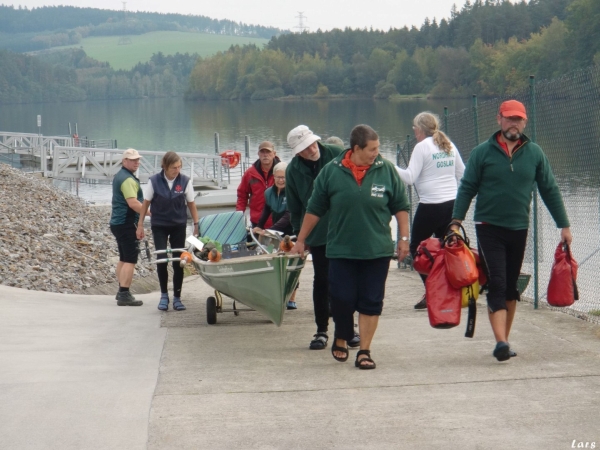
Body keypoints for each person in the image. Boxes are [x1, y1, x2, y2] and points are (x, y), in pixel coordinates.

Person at [451, 99, 572, 362]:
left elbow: (549, 189)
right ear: (499, 119)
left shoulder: (535, 153)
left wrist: (564, 224)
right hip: (488, 227)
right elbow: (467, 188)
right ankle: (501, 341)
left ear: (525, 122)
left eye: (518, 119)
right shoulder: (482, 152)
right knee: (497, 281)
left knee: (510, 286)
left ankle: (503, 341)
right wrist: (456, 221)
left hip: (519, 227)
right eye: (509, 118)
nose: (513, 124)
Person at [289, 124, 410, 369]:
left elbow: (400, 205)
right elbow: (313, 209)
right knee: (342, 298)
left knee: (371, 301)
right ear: (356, 149)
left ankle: (364, 351)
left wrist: (404, 239)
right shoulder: (330, 172)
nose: (377, 152)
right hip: (341, 248)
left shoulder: (385, 169)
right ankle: (340, 335)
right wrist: (301, 239)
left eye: (378, 147)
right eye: (372, 149)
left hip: (377, 249)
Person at [286, 125, 361, 350]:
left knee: (346, 281)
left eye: (312, 144)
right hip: (318, 233)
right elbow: (296, 208)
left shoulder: (337, 153)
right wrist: (301, 239)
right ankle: (321, 330)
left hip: (344, 227)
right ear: (297, 152)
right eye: (305, 148)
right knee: (322, 281)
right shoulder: (292, 171)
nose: (311, 150)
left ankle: (347, 329)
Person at [396, 112, 465, 309]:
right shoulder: (448, 144)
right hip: (451, 204)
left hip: (430, 205)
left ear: (419, 129)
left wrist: (388, 166)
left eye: (414, 128)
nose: (414, 132)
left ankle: (433, 291)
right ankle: (451, 290)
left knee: (418, 248)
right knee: (447, 249)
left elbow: (409, 177)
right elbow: (463, 174)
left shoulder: (421, 147)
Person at [136, 151, 199, 312]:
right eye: (173, 168)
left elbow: (191, 204)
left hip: (178, 225)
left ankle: (177, 296)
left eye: (179, 167)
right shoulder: (154, 181)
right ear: (165, 167)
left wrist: (196, 224)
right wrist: (140, 224)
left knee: (179, 260)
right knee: (162, 259)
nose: (177, 170)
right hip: (160, 225)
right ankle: (164, 295)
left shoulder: (185, 181)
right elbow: (145, 203)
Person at [252, 161, 298, 309]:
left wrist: (270, 230)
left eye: (284, 177)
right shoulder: (269, 193)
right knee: (276, 264)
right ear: (274, 177)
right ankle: (277, 296)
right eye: (278, 177)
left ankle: (291, 298)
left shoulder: (292, 192)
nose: (281, 180)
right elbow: (266, 210)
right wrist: (259, 226)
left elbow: (289, 215)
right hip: (277, 232)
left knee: (291, 265)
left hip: (292, 232)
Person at [109, 148, 145, 307]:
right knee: (130, 259)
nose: (136, 162)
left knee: (123, 258)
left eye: (138, 159)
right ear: (124, 161)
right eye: (132, 160)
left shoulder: (120, 176)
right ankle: (124, 293)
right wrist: (152, 213)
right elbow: (133, 203)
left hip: (117, 223)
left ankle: (121, 290)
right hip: (126, 223)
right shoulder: (128, 180)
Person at [236, 141, 281, 228]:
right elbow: (242, 195)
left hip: (279, 221)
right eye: (262, 152)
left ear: (274, 153)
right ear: (258, 154)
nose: (265, 155)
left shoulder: (283, 171)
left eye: (268, 152)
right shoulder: (250, 173)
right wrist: (238, 216)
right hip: (257, 221)